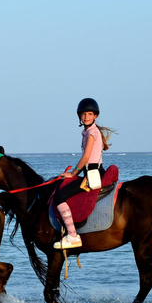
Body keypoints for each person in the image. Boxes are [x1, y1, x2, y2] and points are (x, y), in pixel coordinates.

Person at [52, 98, 115, 249]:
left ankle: (72, 236)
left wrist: (73, 173)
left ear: (95, 116)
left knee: (59, 196)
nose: (86, 117)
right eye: (83, 114)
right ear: (80, 116)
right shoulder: (90, 131)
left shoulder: (92, 133)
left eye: (89, 114)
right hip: (91, 172)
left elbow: (86, 157)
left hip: (92, 175)